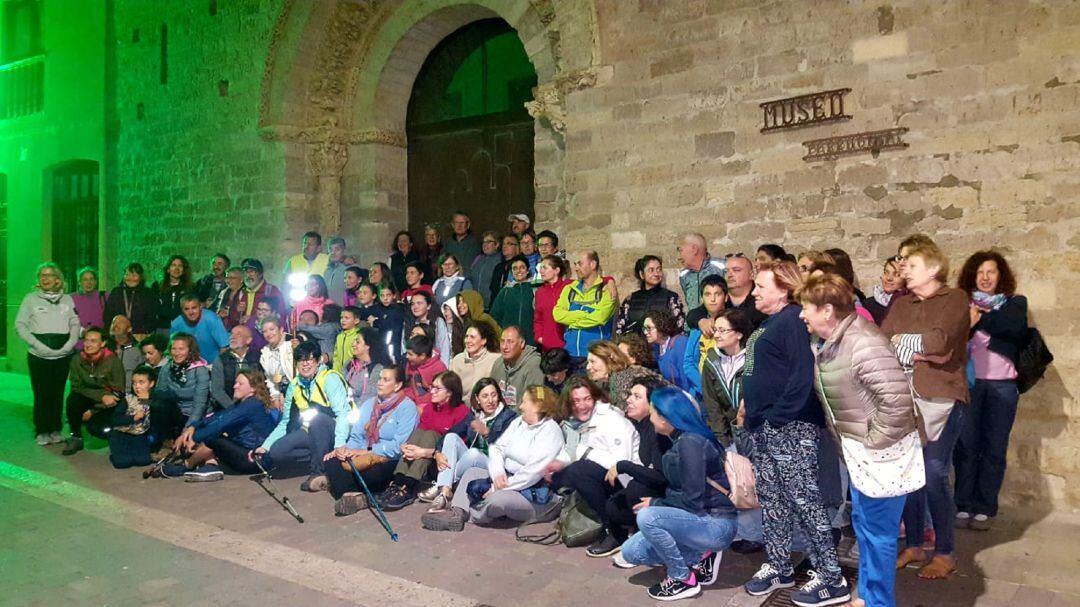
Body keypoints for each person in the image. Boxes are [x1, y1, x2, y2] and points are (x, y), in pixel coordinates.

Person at [800, 272, 917, 607]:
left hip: (882, 455)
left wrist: (870, 446)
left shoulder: (863, 342)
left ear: (827, 311)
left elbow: (898, 404)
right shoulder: (835, 341)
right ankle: (866, 596)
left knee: (879, 535)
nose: (801, 314)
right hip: (860, 453)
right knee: (866, 528)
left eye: (806, 307)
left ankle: (879, 602)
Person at [741, 261, 848, 603]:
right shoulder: (771, 322)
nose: (754, 292)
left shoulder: (791, 321)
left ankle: (832, 578)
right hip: (765, 428)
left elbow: (803, 375)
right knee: (772, 501)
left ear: (784, 290)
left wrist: (777, 419)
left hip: (790, 427)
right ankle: (779, 565)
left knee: (805, 502)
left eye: (761, 286)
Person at [883, 241, 970, 579]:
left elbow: (941, 342)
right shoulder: (902, 303)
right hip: (904, 398)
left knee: (934, 471)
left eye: (912, 265)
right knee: (909, 475)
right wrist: (923, 351)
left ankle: (945, 552)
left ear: (933, 269)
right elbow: (883, 341)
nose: (904, 269)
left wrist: (908, 344)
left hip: (942, 397)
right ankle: (916, 544)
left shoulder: (955, 299)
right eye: (903, 264)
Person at [617, 386, 738, 602]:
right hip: (697, 521)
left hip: (716, 523)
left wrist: (656, 503)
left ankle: (682, 579)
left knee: (648, 517)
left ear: (665, 418)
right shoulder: (679, 439)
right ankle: (701, 555)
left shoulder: (691, 443)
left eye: (653, 413)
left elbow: (693, 500)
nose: (650, 419)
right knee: (631, 551)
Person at [423, 384, 564, 532]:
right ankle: (457, 512)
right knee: (472, 473)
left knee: (497, 500)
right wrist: (498, 474)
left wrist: (499, 487)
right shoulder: (519, 423)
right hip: (508, 479)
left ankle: (469, 515)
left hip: (536, 495)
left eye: (525, 402)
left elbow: (532, 473)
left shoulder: (550, 431)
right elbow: (497, 448)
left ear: (537, 406)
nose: (521, 406)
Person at [954, 251, 1028, 532]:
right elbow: (954, 336)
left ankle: (985, 507)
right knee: (966, 446)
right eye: (980, 272)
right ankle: (963, 504)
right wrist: (969, 321)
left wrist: (978, 318)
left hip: (1003, 386)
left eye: (991, 272)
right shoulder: (961, 305)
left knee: (994, 448)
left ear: (1000, 276)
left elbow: (1014, 329)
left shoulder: (1014, 303)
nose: (985, 277)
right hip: (970, 384)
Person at [545, 377, 640, 549]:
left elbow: (622, 464)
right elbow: (574, 450)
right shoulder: (577, 422)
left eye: (587, 399)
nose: (582, 405)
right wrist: (558, 464)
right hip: (608, 475)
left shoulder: (611, 420)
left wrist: (588, 453)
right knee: (561, 477)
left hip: (629, 483)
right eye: (576, 401)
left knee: (579, 471)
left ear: (595, 398)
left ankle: (617, 529)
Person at [323, 365, 420, 516]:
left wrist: (367, 451)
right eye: (380, 378)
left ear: (398, 385)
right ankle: (356, 496)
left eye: (386, 380)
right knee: (332, 461)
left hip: (386, 458)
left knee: (372, 474)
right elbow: (356, 436)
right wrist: (345, 451)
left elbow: (399, 446)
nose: (380, 383)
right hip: (361, 454)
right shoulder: (369, 404)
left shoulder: (407, 408)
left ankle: (352, 493)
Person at [255, 341, 352, 492]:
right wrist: (265, 446)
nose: (305, 364)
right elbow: (285, 422)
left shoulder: (330, 378)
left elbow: (342, 414)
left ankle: (319, 473)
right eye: (300, 360)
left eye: (310, 360)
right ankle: (322, 458)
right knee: (277, 452)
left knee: (318, 420)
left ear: (318, 361)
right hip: (311, 431)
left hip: (340, 430)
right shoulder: (294, 385)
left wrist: (339, 444)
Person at [419, 378, 519, 513]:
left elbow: (505, 448)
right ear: (477, 399)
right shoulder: (474, 416)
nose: (490, 400)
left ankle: (441, 485)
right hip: (469, 463)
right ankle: (445, 491)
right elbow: (452, 432)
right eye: (485, 396)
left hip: (492, 464)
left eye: (493, 395)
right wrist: (437, 453)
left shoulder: (509, 418)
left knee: (474, 453)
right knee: (451, 437)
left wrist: (486, 433)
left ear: (499, 396)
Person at [162, 369, 283, 480]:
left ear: (253, 389)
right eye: (235, 383)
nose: (235, 386)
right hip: (246, 452)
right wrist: (193, 427)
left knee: (213, 436)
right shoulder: (241, 404)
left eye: (240, 384)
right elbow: (217, 416)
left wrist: (194, 438)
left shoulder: (252, 405)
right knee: (212, 433)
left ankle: (187, 465)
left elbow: (220, 424)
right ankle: (211, 465)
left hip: (256, 460)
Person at [377, 371, 471, 510]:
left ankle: (409, 486)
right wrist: (407, 447)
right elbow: (420, 432)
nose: (431, 391)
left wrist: (424, 452)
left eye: (437, 389)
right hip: (426, 456)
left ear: (449, 392)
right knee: (420, 432)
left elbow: (456, 446)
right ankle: (397, 482)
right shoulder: (430, 408)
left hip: (444, 461)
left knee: (432, 434)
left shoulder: (461, 412)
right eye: (432, 387)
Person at [17, 263, 81, 445]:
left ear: (57, 279)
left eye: (49, 275)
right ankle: (42, 430)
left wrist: (70, 344)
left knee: (57, 393)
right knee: (41, 393)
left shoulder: (67, 299)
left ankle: (55, 429)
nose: (45, 278)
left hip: (63, 355)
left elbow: (75, 323)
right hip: (38, 356)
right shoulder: (30, 299)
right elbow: (20, 325)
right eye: (42, 275)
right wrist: (37, 345)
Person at [62, 327, 126, 456]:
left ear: (102, 343)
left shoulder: (113, 361)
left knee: (99, 429)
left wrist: (93, 410)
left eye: (93, 341)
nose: (88, 344)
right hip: (93, 397)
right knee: (73, 400)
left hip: (108, 402)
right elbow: (77, 387)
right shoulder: (77, 359)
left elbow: (118, 391)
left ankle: (117, 434)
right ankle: (76, 437)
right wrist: (101, 396)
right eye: (86, 340)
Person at [699, 309, 752, 447]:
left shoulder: (753, 359)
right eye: (715, 330)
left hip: (754, 433)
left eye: (722, 330)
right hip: (728, 436)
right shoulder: (711, 361)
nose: (716, 335)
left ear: (739, 334)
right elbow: (712, 406)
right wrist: (723, 443)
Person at [150, 332, 211, 450]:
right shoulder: (167, 367)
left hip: (196, 415)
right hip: (178, 411)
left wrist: (186, 431)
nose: (177, 353)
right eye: (174, 349)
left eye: (181, 349)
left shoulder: (200, 371)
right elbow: (159, 393)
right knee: (157, 405)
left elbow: (199, 406)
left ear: (190, 350)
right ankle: (166, 441)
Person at [553, 250, 617, 362]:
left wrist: (572, 322)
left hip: (596, 356)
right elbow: (557, 315)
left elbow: (600, 318)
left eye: (580, 263)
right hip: (570, 354)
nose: (576, 268)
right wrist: (585, 314)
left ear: (592, 264)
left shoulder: (607, 290)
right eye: (575, 264)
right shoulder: (569, 289)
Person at [682, 275, 729, 399]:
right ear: (702, 298)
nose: (712, 299)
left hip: (726, 392)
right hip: (701, 392)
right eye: (707, 294)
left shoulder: (733, 324)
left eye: (717, 294)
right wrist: (705, 389)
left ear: (726, 297)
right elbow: (688, 362)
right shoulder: (698, 327)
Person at [616, 255, 685, 336]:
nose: (656, 273)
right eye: (651, 270)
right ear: (642, 274)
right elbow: (620, 329)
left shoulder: (671, 298)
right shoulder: (630, 299)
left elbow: (679, 328)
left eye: (659, 269)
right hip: (635, 343)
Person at [586, 340, 658, 412]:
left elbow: (621, 413)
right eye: (588, 362)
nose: (588, 367)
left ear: (609, 360)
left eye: (592, 362)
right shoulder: (609, 381)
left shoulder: (620, 378)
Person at [108, 364, 157, 469]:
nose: (137, 386)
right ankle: (116, 454)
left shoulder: (154, 399)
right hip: (122, 433)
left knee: (143, 461)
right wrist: (133, 418)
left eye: (141, 382)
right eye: (134, 383)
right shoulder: (128, 399)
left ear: (151, 383)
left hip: (139, 435)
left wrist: (149, 400)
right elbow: (115, 419)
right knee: (122, 463)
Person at [490, 326, 545, 410]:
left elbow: (534, 402)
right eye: (502, 341)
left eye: (510, 342)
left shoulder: (534, 365)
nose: (504, 346)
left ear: (522, 343)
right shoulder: (499, 363)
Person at [210, 325, 262, 410]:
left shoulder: (259, 358)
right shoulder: (221, 360)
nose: (232, 337)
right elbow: (217, 390)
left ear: (248, 340)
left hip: (255, 406)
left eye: (238, 334)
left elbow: (263, 386)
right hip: (228, 408)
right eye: (231, 334)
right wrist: (234, 409)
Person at [169, 293, 230, 364]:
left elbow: (224, 347)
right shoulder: (176, 324)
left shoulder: (211, 319)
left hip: (212, 364)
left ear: (200, 307)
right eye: (186, 309)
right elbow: (172, 349)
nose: (191, 312)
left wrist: (217, 366)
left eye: (194, 308)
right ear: (182, 310)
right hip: (187, 365)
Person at [103, 262, 158, 337]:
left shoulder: (148, 293)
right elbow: (108, 314)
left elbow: (152, 316)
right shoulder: (116, 292)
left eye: (134, 275)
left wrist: (146, 331)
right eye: (127, 274)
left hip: (139, 334)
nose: (130, 278)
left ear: (141, 277)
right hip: (118, 335)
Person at [490, 255, 536, 345]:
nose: (518, 271)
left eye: (522, 267)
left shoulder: (535, 289)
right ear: (511, 272)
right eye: (515, 268)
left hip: (531, 340)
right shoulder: (505, 291)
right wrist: (503, 331)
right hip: (509, 342)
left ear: (528, 270)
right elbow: (494, 316)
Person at [678, 233, 726, 312]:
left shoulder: (722, 267)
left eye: (681, 251)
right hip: (693, 319)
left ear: (694, 249)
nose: (679, 257)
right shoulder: (684, 275)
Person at [343, 326, 388, 408]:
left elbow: (368, 400)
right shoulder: (348, 364)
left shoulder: (377, 370)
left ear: (368, 346)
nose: (353, 344)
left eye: (357, 342)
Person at [402, 291, 451, 367]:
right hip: (413, 365)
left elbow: (444, 347)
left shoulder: (437, 322)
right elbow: (404, 346)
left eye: (419, 303)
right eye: (412, 304)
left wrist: (443, 369)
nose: (415, 307)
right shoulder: (409, 323)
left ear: (428, 306)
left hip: (433, 365)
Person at [533, 255, 572, 351]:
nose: (541, 271)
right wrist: (539, 337)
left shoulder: (570, 285)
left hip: (569, 344)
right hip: (548, 346)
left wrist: (608, 281)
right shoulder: (540, 292)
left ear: (556, 270)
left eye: (545, 268)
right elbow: (538, 319)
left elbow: (592, 280)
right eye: (540, 268)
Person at [450, 321, 500, 395]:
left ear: (483, 341)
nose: (468, 341)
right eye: (466, 336)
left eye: (472, 337)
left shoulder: (495, 360)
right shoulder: (458, 360)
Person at [643, 310, 689, 390]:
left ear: (661, 327)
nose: (645, 332)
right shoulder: (656, 348)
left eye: (649, 328)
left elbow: (686, 378)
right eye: (644, 328)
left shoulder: (680, 343)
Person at [282, 231, 331, 299]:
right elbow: (285, 284)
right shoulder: (293, 261)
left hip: (320, 303)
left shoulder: (328, 260)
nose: (306, 247)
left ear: (318, 248)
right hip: (297, 303)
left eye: (310, 244)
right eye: (304, 243)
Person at [724, 253, 767, 329]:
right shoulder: (718, 295)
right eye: (726, 271)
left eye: (736, 270)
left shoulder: (762, 299)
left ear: (751, 274)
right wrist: (702, 319)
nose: (729, 275)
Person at [258, 315, 294, 404]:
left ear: (281, 329)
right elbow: (270, 379)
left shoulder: (292, 344)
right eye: (264, 331)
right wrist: (275, 397)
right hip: (282, 394)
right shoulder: (265, 353)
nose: (268, 334)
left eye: (271, 329)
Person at [153, 255, 195, 331]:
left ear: (184, 270)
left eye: (180, 266)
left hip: (183, 329)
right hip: (162, 328)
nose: (176, 268)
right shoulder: (157, 287)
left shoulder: (190, 288)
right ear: (168, 269)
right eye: (173, 265)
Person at [107, 314, 144, 392]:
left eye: (120, 322)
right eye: (113, 322)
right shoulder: (104, 348)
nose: (115, 325)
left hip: (130, 394)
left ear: (129, 329)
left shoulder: (138, 350)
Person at [71, 266, 108, 344]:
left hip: (99, 344)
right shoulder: (71, 299)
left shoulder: (104, 296)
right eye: (85, 279)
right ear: (79, 282)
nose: (89, 282)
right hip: (77, 344)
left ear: (96, 281)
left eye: (92, 279)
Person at [372, 283, 407, 364]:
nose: (385, 298)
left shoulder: (398, 310)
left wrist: (375, 323)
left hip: (394, 347)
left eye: (388, 295)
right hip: (383, 347)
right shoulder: (379, 310)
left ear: (394, 296)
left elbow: (389, 326)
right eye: (382, 295)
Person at [468, 230, 503, 308]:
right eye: (483, 242)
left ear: (497, 244)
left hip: (490, 306)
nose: (485, 245)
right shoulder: (478, 259)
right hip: (475, 305)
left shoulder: (500, 260)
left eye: (488, 242)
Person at [864, 258, 903, 326]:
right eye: (886, 272)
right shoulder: (867, 305)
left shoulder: (908, 306)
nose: (889, 278)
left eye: (897, 274)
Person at [488, 233, 521, 303]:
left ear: (517, 247)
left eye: (509, 243)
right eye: (503, 244)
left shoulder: (520, 266)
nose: (504, 246)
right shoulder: (499, 267)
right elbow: (493, 290)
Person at [213, 266, 248, 331]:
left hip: (238, 328)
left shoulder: (245, 293)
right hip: (221, 327)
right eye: (227, 277)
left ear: (241, 279)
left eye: (232, 278)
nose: (228, 280)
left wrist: (229, 312)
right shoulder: (224, 292)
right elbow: (214, 307)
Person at [323, 237, 351, 305]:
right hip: (329, 309)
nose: (333, 253)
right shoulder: (327, 270)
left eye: (337, 249)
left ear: (344, 250)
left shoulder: (351, 269)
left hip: (345, 310)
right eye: (330, 249)